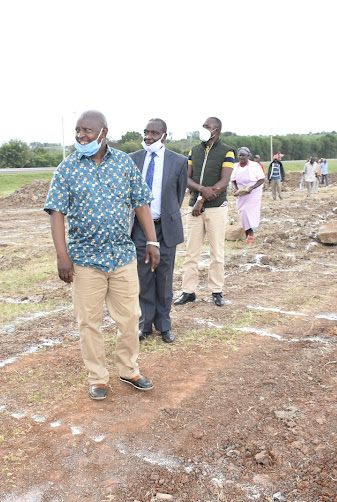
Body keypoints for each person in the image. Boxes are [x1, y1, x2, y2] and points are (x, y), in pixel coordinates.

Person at [44, 110, 159, 401]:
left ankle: (129, 370)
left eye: (87, 131)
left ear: (104, 132)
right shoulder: (67, 168)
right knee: (89, 323)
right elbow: (56, 214)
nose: (81, 136)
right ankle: (97, 378)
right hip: (84, 261)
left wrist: (152, 242)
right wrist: (62, 256)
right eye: (78, 131)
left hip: (122, 256)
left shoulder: (123, 163)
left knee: (130, 317)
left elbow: (141, 203)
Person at [129, 118, 188, 344]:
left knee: (164, 276)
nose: (148, 137)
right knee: (144, 276)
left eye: (154, 133)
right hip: (140, 229)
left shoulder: (179, 161)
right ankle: (145, 325)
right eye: (145, 132)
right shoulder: (132, 159)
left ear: (164, 136)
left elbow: (178, 194)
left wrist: (164, 215)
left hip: (166, 228)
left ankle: (164, 325)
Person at [175, 117, 234, 308]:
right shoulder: (195, 150)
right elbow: (186, 177)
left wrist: (201, 199)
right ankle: (188, 291)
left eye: (207, 126)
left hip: (216, 208)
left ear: (216, 130)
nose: (203, 129)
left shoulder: (227, 151)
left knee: (217, 252)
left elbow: (224, 182)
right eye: (203, 126)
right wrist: (201, 190)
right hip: (194, 210)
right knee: (191, 252)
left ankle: (216, 290)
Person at [231, 147, 265, 243]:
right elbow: (233, 180)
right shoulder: (236, 166)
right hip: (242, 193)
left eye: (244, 155)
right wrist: (236, 189)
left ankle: (251, 234)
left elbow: (261, 179)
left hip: (254, 192)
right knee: (242, 212)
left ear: (248, 156)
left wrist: (252, 188)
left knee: (248, 210)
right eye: (240, 155)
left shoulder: (254, 166)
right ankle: (247, 233)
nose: (242, 157)